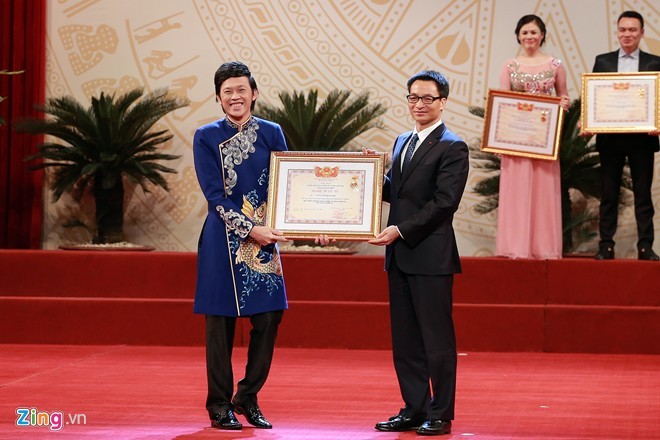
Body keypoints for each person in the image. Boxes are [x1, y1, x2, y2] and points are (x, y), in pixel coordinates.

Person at [368, 70, 469, 436]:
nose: (419, 104)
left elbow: (445, 203)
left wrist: (401, 230)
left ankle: (441, 413)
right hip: (399, 256)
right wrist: (370, 175)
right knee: (406, 340)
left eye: (428, 98)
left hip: (430, 256)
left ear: (443, 102)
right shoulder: (401, 141)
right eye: (413, 97)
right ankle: (414, 407)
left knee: (436, 341)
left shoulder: (453, 146)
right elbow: (399, 193)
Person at [192, 61, 289, 431]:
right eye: (227, 92)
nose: (235, 97)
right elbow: (214, 196)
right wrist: (251, 229)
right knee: (219, 324)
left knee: (270, 316)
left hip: (263, 240)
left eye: (241, 90)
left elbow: (286, 185)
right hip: (222, 239)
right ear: (219, 98)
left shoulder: (272, 132)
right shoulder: (205, 136)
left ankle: (247, 395)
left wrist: (306, 225)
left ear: (254, 93)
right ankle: (219, 405)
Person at [496, 14, 570, 259]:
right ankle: (515, 246)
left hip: (543, 140)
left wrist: (563, 104)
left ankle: (544, 246)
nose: (529, 37)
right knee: (516, 191)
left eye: (534, 32)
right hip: (516, 140)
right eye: (525, 32)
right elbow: (503, 103)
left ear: (542, 35)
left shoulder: (555, 65)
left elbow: (564, 96)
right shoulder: (509, 66)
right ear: (518, 36)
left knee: (544, 191)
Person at [591, 11, 660, 261]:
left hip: (643, 139)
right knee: (608, 195)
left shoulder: (655, 63)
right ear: (617, 32)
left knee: (643, 196)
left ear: (642, 33)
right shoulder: (603, 62)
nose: (627, 34)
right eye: (623, 29)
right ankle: (606, 246)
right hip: (611, 139)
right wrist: (591, 121)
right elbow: (594, 96)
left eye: (632, 30)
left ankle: (645, 247)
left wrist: (657, 121)